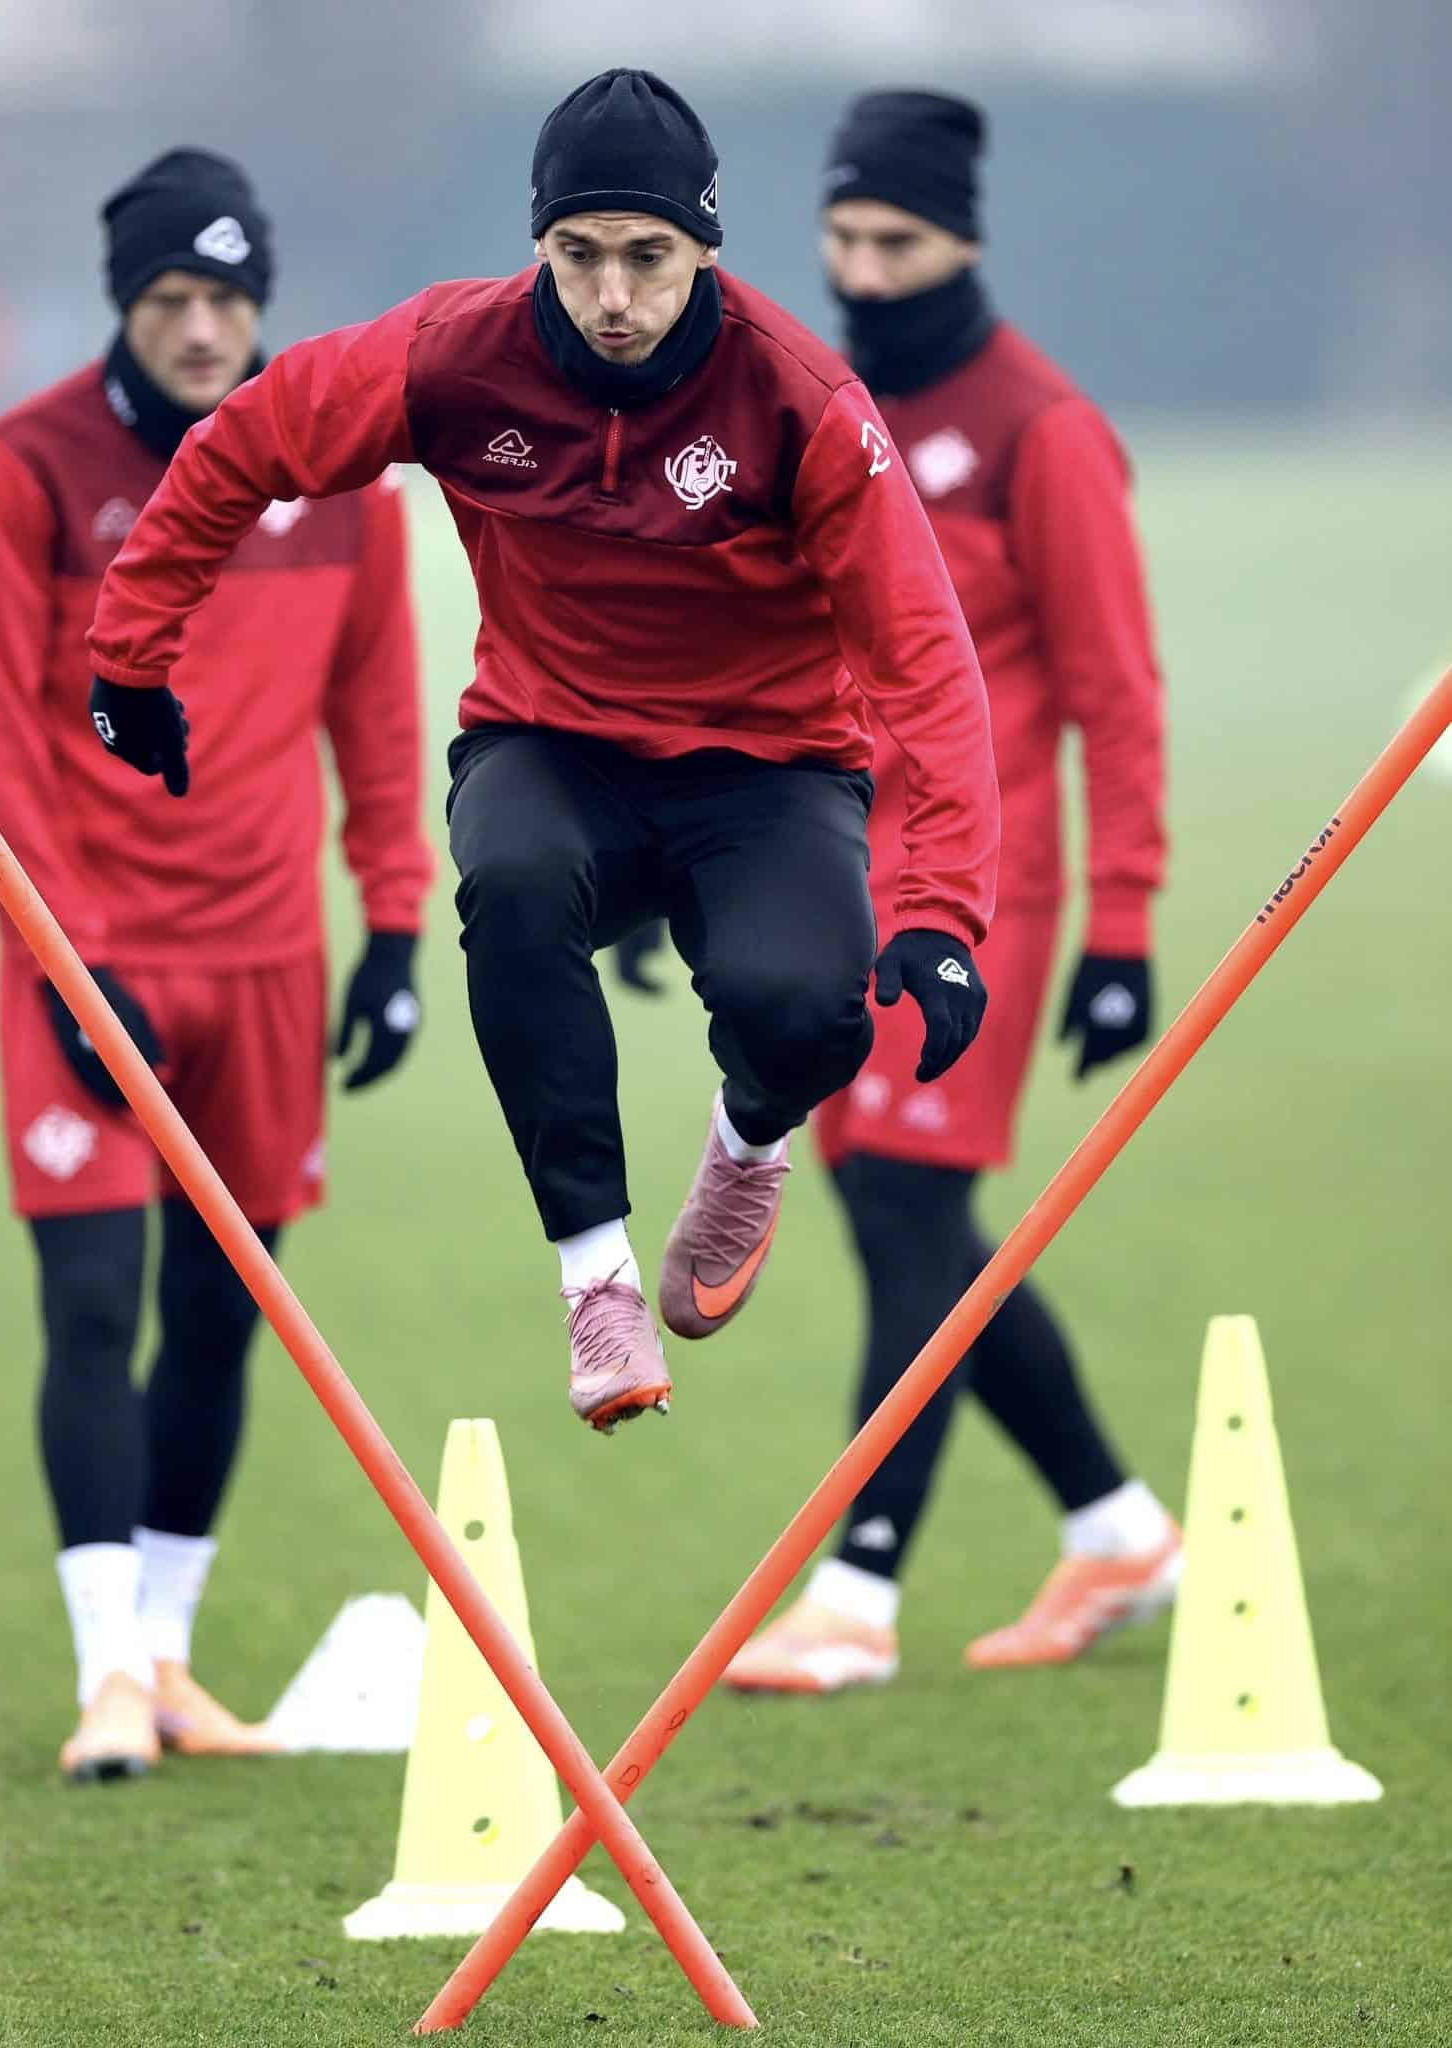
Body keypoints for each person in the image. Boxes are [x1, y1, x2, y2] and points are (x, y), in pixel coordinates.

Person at [84, 70, 1001, 1438]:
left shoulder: (802, 401)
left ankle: (748, 1143)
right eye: (578, 255)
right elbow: (240, 448)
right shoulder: (451, 355)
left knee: (810, 1013)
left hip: (767, 768)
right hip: (550, 742)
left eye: (647, 257)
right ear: (539, 247)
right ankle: (597, 1280)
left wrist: (941, 912)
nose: (611, 296)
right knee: (512, 883)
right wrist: (129, 654)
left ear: (705, 249)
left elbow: (925, 660)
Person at [0, 148, 434, 1780]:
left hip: (271, 961)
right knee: (92, 1301)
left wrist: (392, 924)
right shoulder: (24, 468)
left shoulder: (343, 479)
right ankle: (102, 1677)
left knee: (226, 1316)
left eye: (227, 296)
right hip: (85, 957)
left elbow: (378, 713)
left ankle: (164, 1658)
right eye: (169, 296)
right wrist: (68, 963)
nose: (202, 328)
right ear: (124, 305)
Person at [726, 92, 1180, 1694]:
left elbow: (1117, 694)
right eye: (842, 238)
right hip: (823, 875)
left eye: (898, 242)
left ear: (964, 241)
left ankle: (856, 1593)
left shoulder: (1037, 431)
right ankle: (1115, 1530)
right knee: (904, 1217)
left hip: (981, 892)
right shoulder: (820, 408)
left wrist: (1121, 923)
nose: (863, 271)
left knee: (912, 1210)